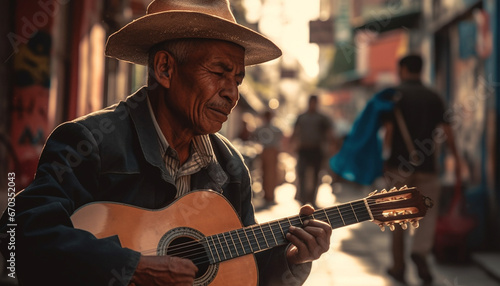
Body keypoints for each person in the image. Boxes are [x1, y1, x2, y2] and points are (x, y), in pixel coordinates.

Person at [0, 1, 332, 285]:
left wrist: (292, 260)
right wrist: (131, 268)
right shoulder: (90, 142)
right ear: (165, 69)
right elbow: (17, 233)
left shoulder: (230, 168)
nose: (233, 94)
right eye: (219, 73)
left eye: (238, 79)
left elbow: (244, 272)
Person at [382, 54, 461, 285]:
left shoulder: (395, 96)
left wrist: (385, 159)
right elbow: (448, 131)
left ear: (403, 69)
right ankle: (420, 250)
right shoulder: (434, 97)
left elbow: (388, 131)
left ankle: (398, 267)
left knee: (397, 216)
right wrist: (456, 160)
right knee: (427, 214)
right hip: (428, 168)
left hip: (399, 167)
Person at [291, 95, 334, 208]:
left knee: (315, 175)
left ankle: (312, 198)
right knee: (302, 174)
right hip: (304, 149)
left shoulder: (322, 118)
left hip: (316, 149)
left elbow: (329, 133)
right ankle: (303, 198)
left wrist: (330, 146)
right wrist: (292, 145)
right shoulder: (302, 117)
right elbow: (295, 132)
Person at [252, 110, 284, 207]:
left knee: (270, 174)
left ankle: (269, 196)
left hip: (270, 151)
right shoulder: (273, 129)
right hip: (267, 151)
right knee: (266, 174)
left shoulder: (267, 129)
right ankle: (268, 196)